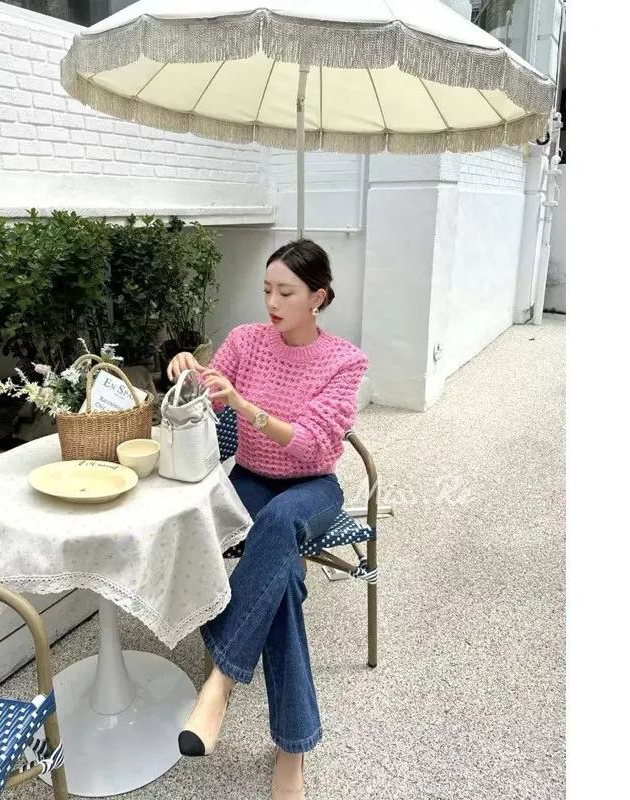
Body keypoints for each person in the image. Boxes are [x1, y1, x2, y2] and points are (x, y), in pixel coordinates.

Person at [167, 239, 368, 799]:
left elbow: (309, 444)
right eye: (267, 290)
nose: (272, 303)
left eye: (286, 292)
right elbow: (207, 398)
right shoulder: (246, 340)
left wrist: (246, 406)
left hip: (312, 487)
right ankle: (291, 750)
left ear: (318, 297)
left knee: (279, 524)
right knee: (285, 585)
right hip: (250, 481)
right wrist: (187, 370)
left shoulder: (344, 361)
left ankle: (220, 681)